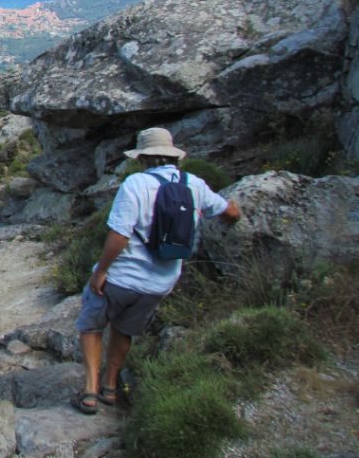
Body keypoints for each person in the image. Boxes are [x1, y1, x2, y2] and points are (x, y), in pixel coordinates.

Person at [73, 127, 240, 414]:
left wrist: (100, 271)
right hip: (160, 283)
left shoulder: (136, 184)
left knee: (90, 326)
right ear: (174, 157)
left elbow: (119, 236)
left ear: (143, 159)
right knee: (125, 330)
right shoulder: (194, 184)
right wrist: (236, 208)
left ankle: (90, 390)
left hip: (122, 277)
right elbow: (230, 213)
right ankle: (110, 387)